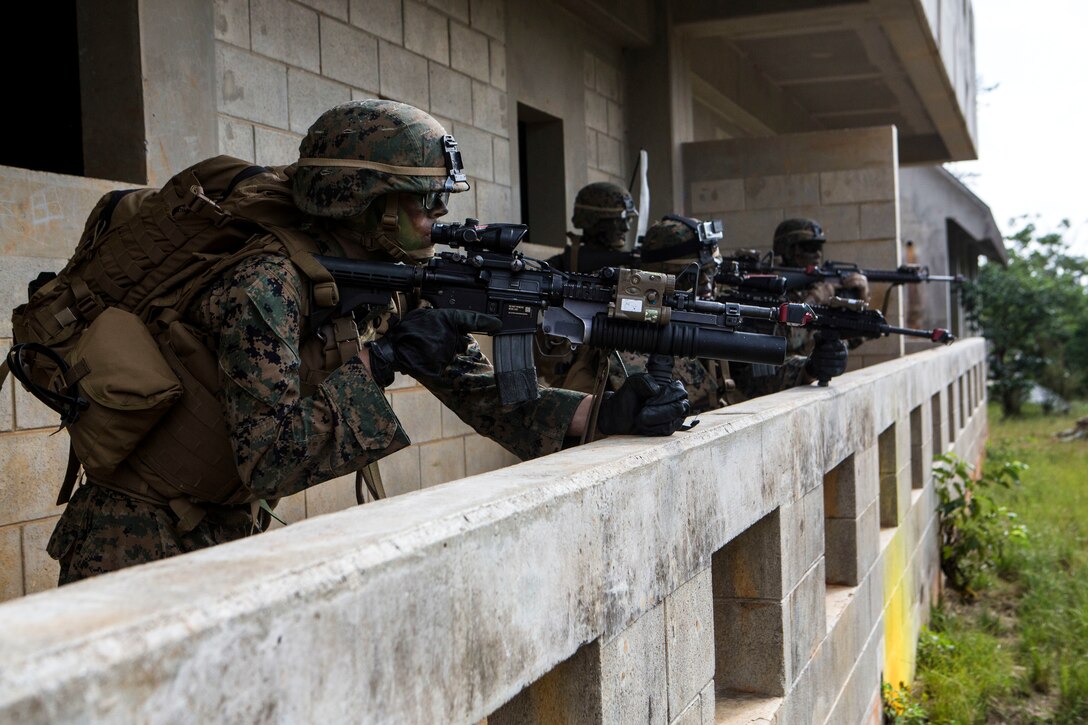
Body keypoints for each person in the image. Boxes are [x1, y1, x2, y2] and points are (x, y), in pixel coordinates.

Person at [46, 99, 690, 584]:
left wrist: (601, 415)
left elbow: (483, 390)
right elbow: (270, 456)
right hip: (134, 544)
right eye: (425, 202)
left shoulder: (384, 278)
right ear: (367, 203)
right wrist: (380, 363)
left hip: (223, 534)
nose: (437, 221)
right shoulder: (264, 285)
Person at [608, 215, 735, 414]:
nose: (706, 282)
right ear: (657, 278)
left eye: (711, 271)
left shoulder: (709, 321)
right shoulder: (630, 337)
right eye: (692, 275)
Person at [729, 218, 860, 397]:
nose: (818, 255)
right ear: (790, 250)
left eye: (819, 248)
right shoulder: (764, 292)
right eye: (810, 248)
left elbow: (848, 339)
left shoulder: (811, 288)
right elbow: (760, 372)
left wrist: (862, 298)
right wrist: (813, 301)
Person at [544, 181, 638, 273]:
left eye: (628, 220)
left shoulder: (630, 264)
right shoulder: (557, 266)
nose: (626, 228)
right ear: (592, 221)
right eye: (618, 221)